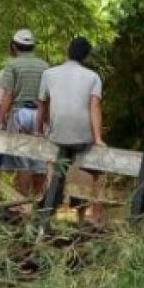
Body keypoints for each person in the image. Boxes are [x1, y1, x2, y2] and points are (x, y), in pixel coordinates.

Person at [38, 37, 106, 225]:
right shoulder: (93, 77)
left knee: (54, 164)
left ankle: (49, 210)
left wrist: (40, 129)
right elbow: (94, 107)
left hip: (56, 134)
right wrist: (98, 138)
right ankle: (88, 216)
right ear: (86, 56)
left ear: (68, 51)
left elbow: (42, 105)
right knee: (92, 168)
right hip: (82, 137)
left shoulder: (49, 73)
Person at [0, 29, 49, 196]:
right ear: (32, 46)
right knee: (39, 162)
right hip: (40, 115)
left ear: (14, 46)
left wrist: (1, 120)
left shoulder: (12, 66)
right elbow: (48, 96)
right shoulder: (44, 66)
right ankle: (39, 205)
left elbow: (8, 95)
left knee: (23, 162)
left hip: (20, 114)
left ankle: (21, 203)